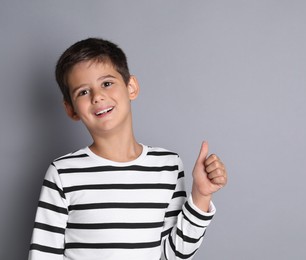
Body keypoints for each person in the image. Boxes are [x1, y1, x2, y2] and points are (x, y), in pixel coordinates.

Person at [28, 38, 227, 260]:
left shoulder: (168, 165)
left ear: (131, 87)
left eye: (106, 83)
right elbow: (43, 255)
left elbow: (175, 254)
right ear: (71, 109)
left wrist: (201, 195)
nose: (97, 97)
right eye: (83, 92)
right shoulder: (63, 173)